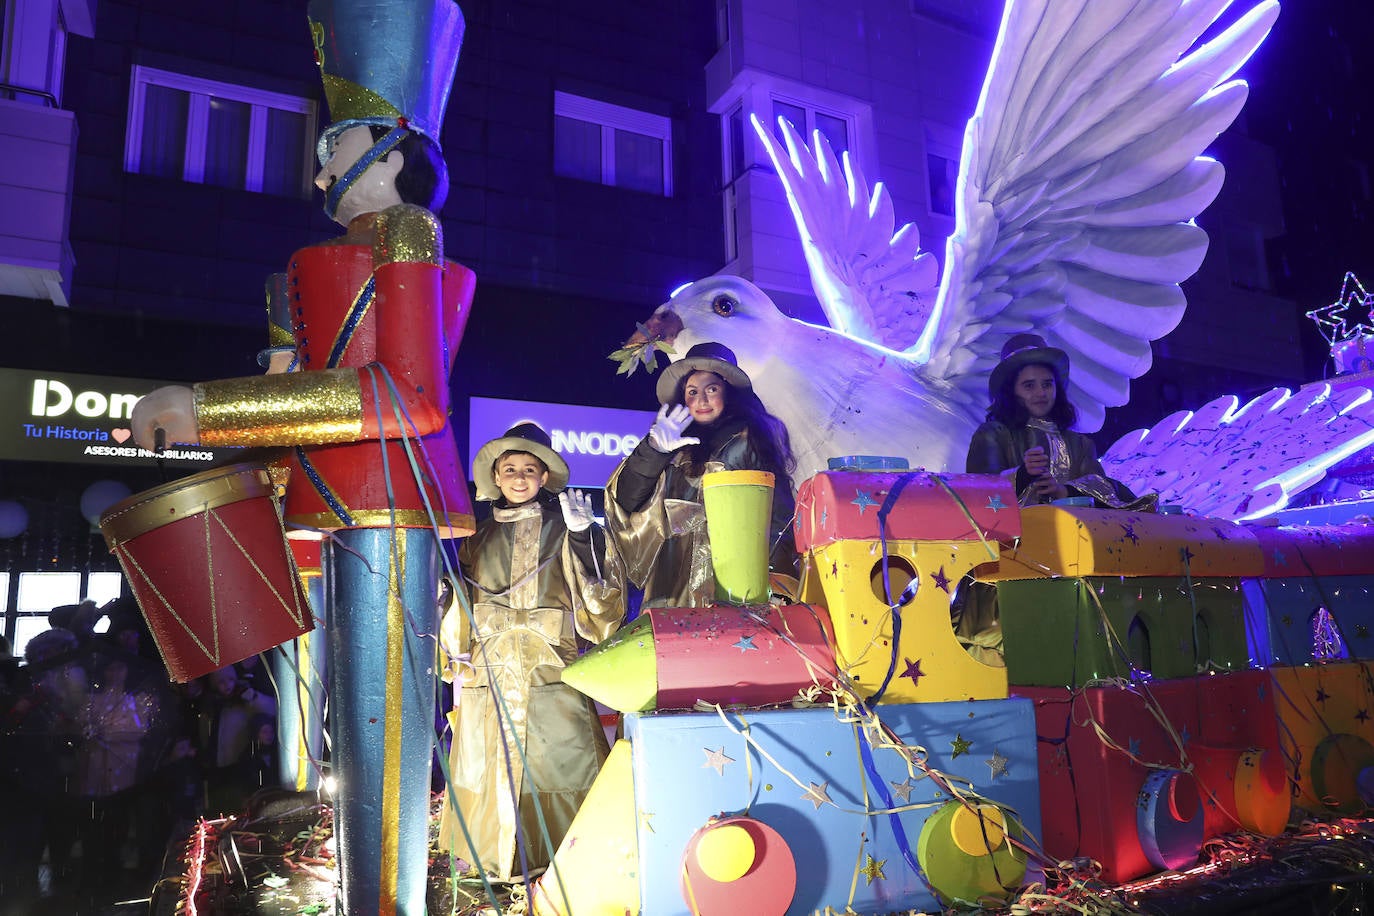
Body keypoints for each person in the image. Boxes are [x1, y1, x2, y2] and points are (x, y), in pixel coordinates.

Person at [127, 3, 472, 911]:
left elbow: (408, 396)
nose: (320, 169)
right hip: (332, 499)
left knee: (378, 721)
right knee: (340, 715)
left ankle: (384, 897)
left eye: (338, 147)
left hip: (387, 501)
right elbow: (315, 382)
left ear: (394, 155)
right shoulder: (327, 260)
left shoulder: (409, 237)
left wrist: (208, 407)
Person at [438, 423, 623, 882]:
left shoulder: (566, 527)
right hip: (493, 670)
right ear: (495, 477)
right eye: (510, 469)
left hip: (551, 667)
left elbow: (601, 598)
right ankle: (491, 852)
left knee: (562, 755)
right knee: (490, 759)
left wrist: (583, 538)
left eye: (530, 469)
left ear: (544, 476)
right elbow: (458, 598)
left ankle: (570, 852)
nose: (519, 478)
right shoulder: (475, 537)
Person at [606, 341, 798, 608]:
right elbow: (625, 502)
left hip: (734, 585)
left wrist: (776, 580)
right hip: (671, 585)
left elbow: (777, 516)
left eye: (712, 389)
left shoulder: (749, 440)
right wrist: (654, 451)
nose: (701, 400)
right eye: (692, 392)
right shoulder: (671, 446)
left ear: (729, 393)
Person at [965, 333, 1156, 511]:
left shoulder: (1080, 444)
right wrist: (1022, 475)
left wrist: (1064, 491)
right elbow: (976, 493)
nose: (1041, 392)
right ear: (1011, 391)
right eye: (1029, 385)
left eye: (1047, 384)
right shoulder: (993, 435)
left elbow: (1104, 489)